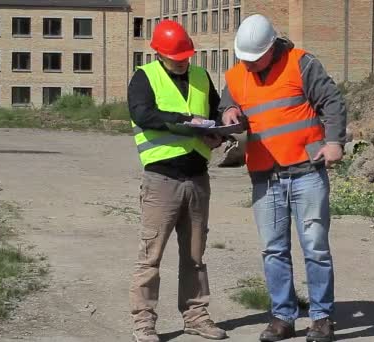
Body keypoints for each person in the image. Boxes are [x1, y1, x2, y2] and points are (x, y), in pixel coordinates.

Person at [220, 14, 347, 342]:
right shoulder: (237, 75)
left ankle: (321, 318)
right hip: (265, 176)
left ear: (272, 48)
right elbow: (226, 103)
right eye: (243, 59)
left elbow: (331, 101)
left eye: (255, 59)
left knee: (315, 247)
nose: (248, 65)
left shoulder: (300, 63)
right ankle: (282, 317)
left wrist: (334, 141)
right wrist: (227, 112)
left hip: (306, 171)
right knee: (273, 250)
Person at [127, 20, 227, 342]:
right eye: (176, 56)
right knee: (150, 257)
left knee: (195, 256)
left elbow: (214, 110)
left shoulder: (200, 76)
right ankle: (144, 323)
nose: (183, 61)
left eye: (186, 55)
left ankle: (195, 316)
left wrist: (216, 133)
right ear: (159, 53)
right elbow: (143, 114)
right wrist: (186, 122)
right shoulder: (145, 77)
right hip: (161, 180)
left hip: (197, 179)